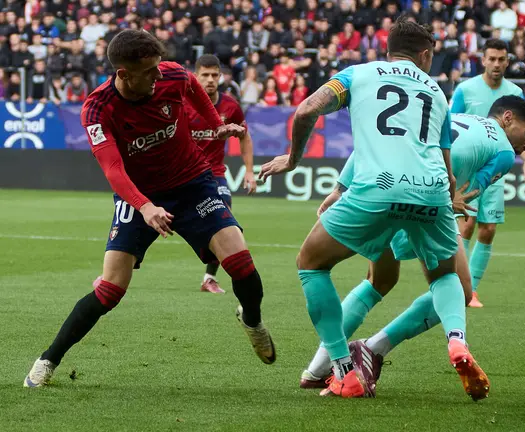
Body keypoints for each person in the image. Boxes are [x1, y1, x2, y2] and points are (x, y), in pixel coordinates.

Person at [23, 30, 275, 388]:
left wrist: (216, 126)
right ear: (124, 74)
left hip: (192, 182)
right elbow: (113, 170)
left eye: (159, 66)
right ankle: (48, 359)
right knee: (110, 289)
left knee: (241, 263)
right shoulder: (97, 109)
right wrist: (144, 206)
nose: (159, 74)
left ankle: (251, 320)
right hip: (139, 194)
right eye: (150, 70)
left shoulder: (171, 74)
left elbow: (192, 85)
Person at [258, 17, 483, 399]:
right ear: (425, 55)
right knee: (446, 275)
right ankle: (457, 341)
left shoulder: (357, 74)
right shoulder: (436, 91)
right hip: (431, 192)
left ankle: (343, 369)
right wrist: (446, 201)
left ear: (388, 49)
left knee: (311, 263)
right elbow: (445, 166)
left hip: (377, 190)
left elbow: (306, 110)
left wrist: (293, 159)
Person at [300, 97, 525, 391]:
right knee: (456, 285)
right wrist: (451, 200)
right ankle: (383, 347)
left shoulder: (449, 116)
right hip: (431, 196)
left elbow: (377, 141)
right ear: (507, 118)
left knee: (378, 279)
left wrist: (340, 188)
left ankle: (318, 368)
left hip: (383, 187)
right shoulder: (503, 151)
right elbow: (469, 192)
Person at [449, 38, 525, 308]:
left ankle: (471, 290)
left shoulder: (515, 93)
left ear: (507, 62)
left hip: (495, 165)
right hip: (468, 165)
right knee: (466, 223)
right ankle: (457, 285)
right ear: (483, 60)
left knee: (488, 229)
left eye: (501, 59)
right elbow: (450, 124)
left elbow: (520, 133)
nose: (496, 64)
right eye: (492, 59)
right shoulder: (465, 89)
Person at [189, 54, 257, 294]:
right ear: (195, 76)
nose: (210, 80)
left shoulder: (230, 106)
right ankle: (116, 269)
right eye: (205, 75)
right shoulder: (183, 103)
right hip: (182, 173)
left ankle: (209, 278)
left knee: (224, 215)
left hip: (213, 173)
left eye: (214, 75)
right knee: (152, 222)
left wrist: (249, 171)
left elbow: (244, 136)